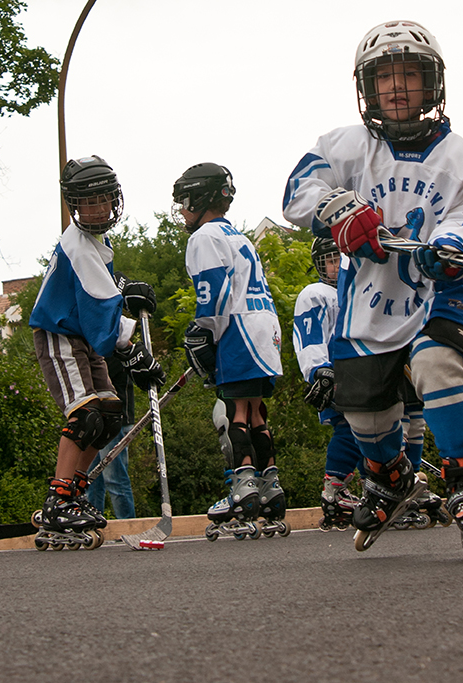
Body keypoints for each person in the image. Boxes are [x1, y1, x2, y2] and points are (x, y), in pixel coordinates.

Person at [283, 20, 463, 559]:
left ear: (433, 85)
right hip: (368, 303)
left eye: (409, 74)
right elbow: (297, 192)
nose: (397, 86)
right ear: (367, 87)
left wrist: (448, 245)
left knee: (436, 364)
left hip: (440, 293)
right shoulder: (344, 147)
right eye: (385, 77)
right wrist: (339, 211)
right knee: (364, 412)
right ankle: (391, 475)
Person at [29, 156, 164, 548]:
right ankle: (59, 498)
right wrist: (131, 350)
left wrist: (126, 336)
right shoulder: (80, 246)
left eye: (104, 198)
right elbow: (99, 306)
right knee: (85, 414)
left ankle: (74, 491)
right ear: (74, 205)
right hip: (59, 336)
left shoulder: (96, 243)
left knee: (108, 415)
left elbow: (103, 305)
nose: (99, 208)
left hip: (82, 338)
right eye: (89, 202)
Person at [173, 162, 284, 534]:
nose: (183, 210)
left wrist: (204, 330)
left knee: (234, 411)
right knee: (255, 413)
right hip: (264, 328)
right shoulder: (238, 236)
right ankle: (270, 488)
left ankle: (243, 489)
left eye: (186, 201)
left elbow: (214, 291)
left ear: (201, 198)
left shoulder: (203, 237)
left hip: (238, 328)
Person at [293, 237, 364, 529]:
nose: (337, 266)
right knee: (349, 428)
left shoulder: (359, 291)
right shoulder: (316, 293)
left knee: (373, 433)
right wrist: (318, 370)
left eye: (340, 258)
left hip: (365, 372)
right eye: (330, 260)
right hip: (338, 375)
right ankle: (334, 489)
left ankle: (374, 486)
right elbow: (308, 337)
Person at [85, 354, 137, 519]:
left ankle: (127, 525)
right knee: (90, 479)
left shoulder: (115, 353)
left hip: (117, 421)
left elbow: (97, 379)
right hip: (96, 420)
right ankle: (91, 522)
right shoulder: (99, 351)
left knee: (114, 478)